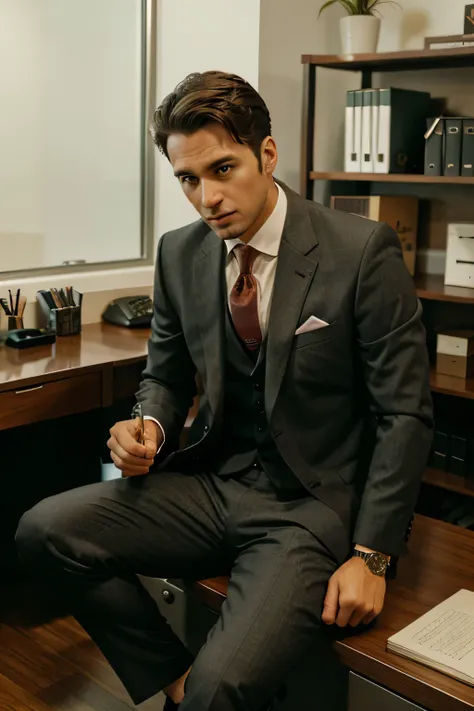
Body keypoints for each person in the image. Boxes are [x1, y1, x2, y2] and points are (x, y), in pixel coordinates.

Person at [16, 71, 433, 711]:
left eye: (223, 169)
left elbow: (403, 413)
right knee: (43, 530)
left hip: (308, 509)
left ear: (267, 155)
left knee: (221, 690)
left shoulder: (360, 250)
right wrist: (148, 427)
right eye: (188, 179)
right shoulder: (180, 254)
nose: (207, 197)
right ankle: (173, 677)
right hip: (213, 486)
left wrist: (372, 556)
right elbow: (164, 374)